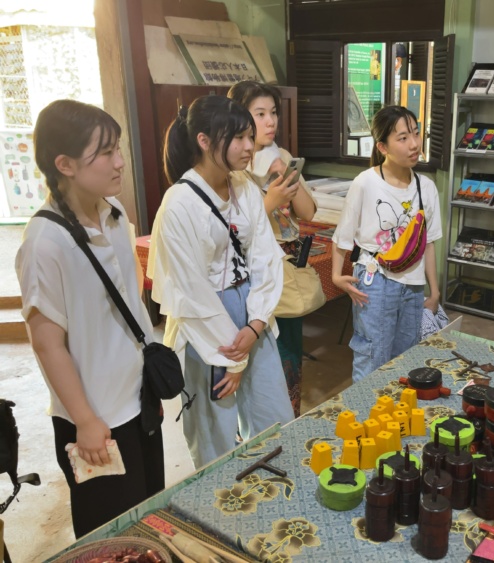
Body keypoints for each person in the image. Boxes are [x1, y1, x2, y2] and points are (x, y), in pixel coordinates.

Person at [15, 99, 164, 537]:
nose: (119, 163)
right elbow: (47, 343)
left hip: (138, 399)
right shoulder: (44, 243)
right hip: (95, 416)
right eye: (105, 152)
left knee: (147, 514)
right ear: (65, 164)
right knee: (110, 533)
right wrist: (85, 421)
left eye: (117, 148)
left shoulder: (114, 214)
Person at [147, 95, 294, 468]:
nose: (250, 146)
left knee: (274, 420)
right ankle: (218, 512)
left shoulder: (244, 186)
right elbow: (190, 290)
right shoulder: (179, 203)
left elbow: (264, 256)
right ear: (204, 140)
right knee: (216, 435)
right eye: (239, 138)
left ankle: (275, 499)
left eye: (250, 136)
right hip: (207, 328)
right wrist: (233, 354)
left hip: (251, 317)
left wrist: (257, 322)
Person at [332, 105, 442, 383]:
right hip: (375, 279)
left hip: (413, 285)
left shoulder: (426, 187)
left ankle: (392, 421)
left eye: (416, 134)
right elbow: (343, 236)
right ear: (382, 146)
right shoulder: (365, 183)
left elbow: (428, 244)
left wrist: (435, 290)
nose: (414, 144)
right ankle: (364, 418)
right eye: (403, 138)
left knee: (405, 357)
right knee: (372, 355)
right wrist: (336, 276)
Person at [227, 80, 317, 417]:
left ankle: (288, 418)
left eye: (274, 113)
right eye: (260, 114)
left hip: (286, 272)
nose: (270, 122)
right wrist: (270, 200)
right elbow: (235, 234)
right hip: (253, 274)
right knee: (258, 355)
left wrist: (288, 178)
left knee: (289, 351)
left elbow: (307, 213)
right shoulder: (235, 169)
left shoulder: (281, 156)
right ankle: (255, 428)